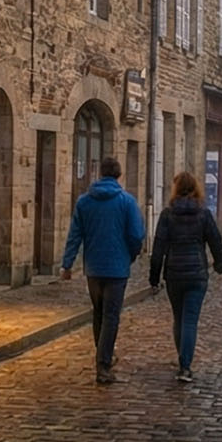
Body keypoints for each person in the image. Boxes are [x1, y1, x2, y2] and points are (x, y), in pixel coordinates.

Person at [60, 156, 146, 386]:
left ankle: (103, 355)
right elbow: (137, 235)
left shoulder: (84, 202)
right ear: (118, 175)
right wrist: (131, 254)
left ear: (100, 174)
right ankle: (104, 364)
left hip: (94, 268)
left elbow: (75, 235)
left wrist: (67, 264)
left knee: (98, 313)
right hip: (117, 269)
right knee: (111, 316)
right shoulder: (127, 202)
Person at [148, 169, 222, 384]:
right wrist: (220, 263)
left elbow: (158, 249)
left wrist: (154, 277)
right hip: (197, 273)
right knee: (190, 320)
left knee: (179, 317)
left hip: (174, 273)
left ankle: (183, 357)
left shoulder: (168, 214)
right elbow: (215, 240)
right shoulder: (203, 213)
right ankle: (185, 365)